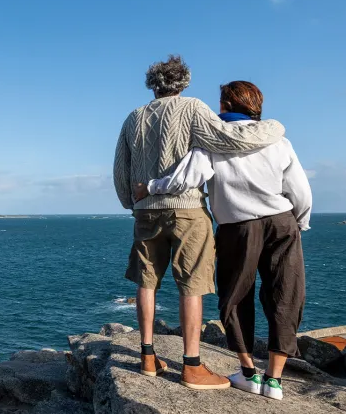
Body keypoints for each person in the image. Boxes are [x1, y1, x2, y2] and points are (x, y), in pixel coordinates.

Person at [113, 57, 286, 391]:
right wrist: (275, 128)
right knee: (192, 283)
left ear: (153, 84)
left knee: (146, 281)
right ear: (184, 81)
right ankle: (191, 365)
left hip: (146, 208)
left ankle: (147, 357)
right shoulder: (192, 107)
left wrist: (131, 202)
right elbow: (228, 139)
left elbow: (121, 168)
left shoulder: (133, 117)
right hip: (187, 207)